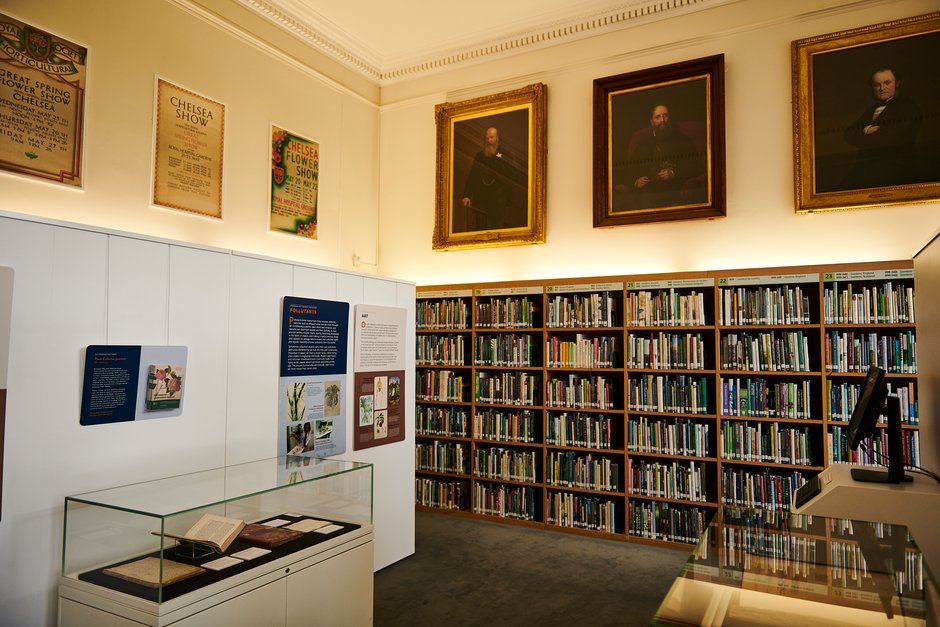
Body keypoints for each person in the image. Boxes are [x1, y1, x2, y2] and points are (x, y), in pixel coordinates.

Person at [843, 67, 923, 189]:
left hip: (895, 172)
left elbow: (885, 140)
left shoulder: (908, 107)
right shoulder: (872, 109)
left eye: (887, 83)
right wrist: (867, 130)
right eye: (877, 85)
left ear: (897, 83)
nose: (882, 88)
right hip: (864, 173)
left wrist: (863, 136)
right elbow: (848, 135)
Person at [620, 104, 705, 210]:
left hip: (675, 190)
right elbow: (628, 171)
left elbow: (697, 166)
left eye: (665, 115)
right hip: (647, 193)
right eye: (658, 117)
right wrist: (636, 182)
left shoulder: (683, 140)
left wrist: (673, 173)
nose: (662, 120)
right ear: (651, 122)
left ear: (670, 118)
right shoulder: (643, 145)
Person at [460, 127, 526, 231]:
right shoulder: (480, 156)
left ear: (497, 138)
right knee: (480, 227)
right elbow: (472, 176)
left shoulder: (505, 155)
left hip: (499, 200)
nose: (489, 140)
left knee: (497, 228)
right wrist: (466, 195)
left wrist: (509, 198)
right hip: (481, 198)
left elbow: (514, 177)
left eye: (491, 137)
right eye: (487, 138)